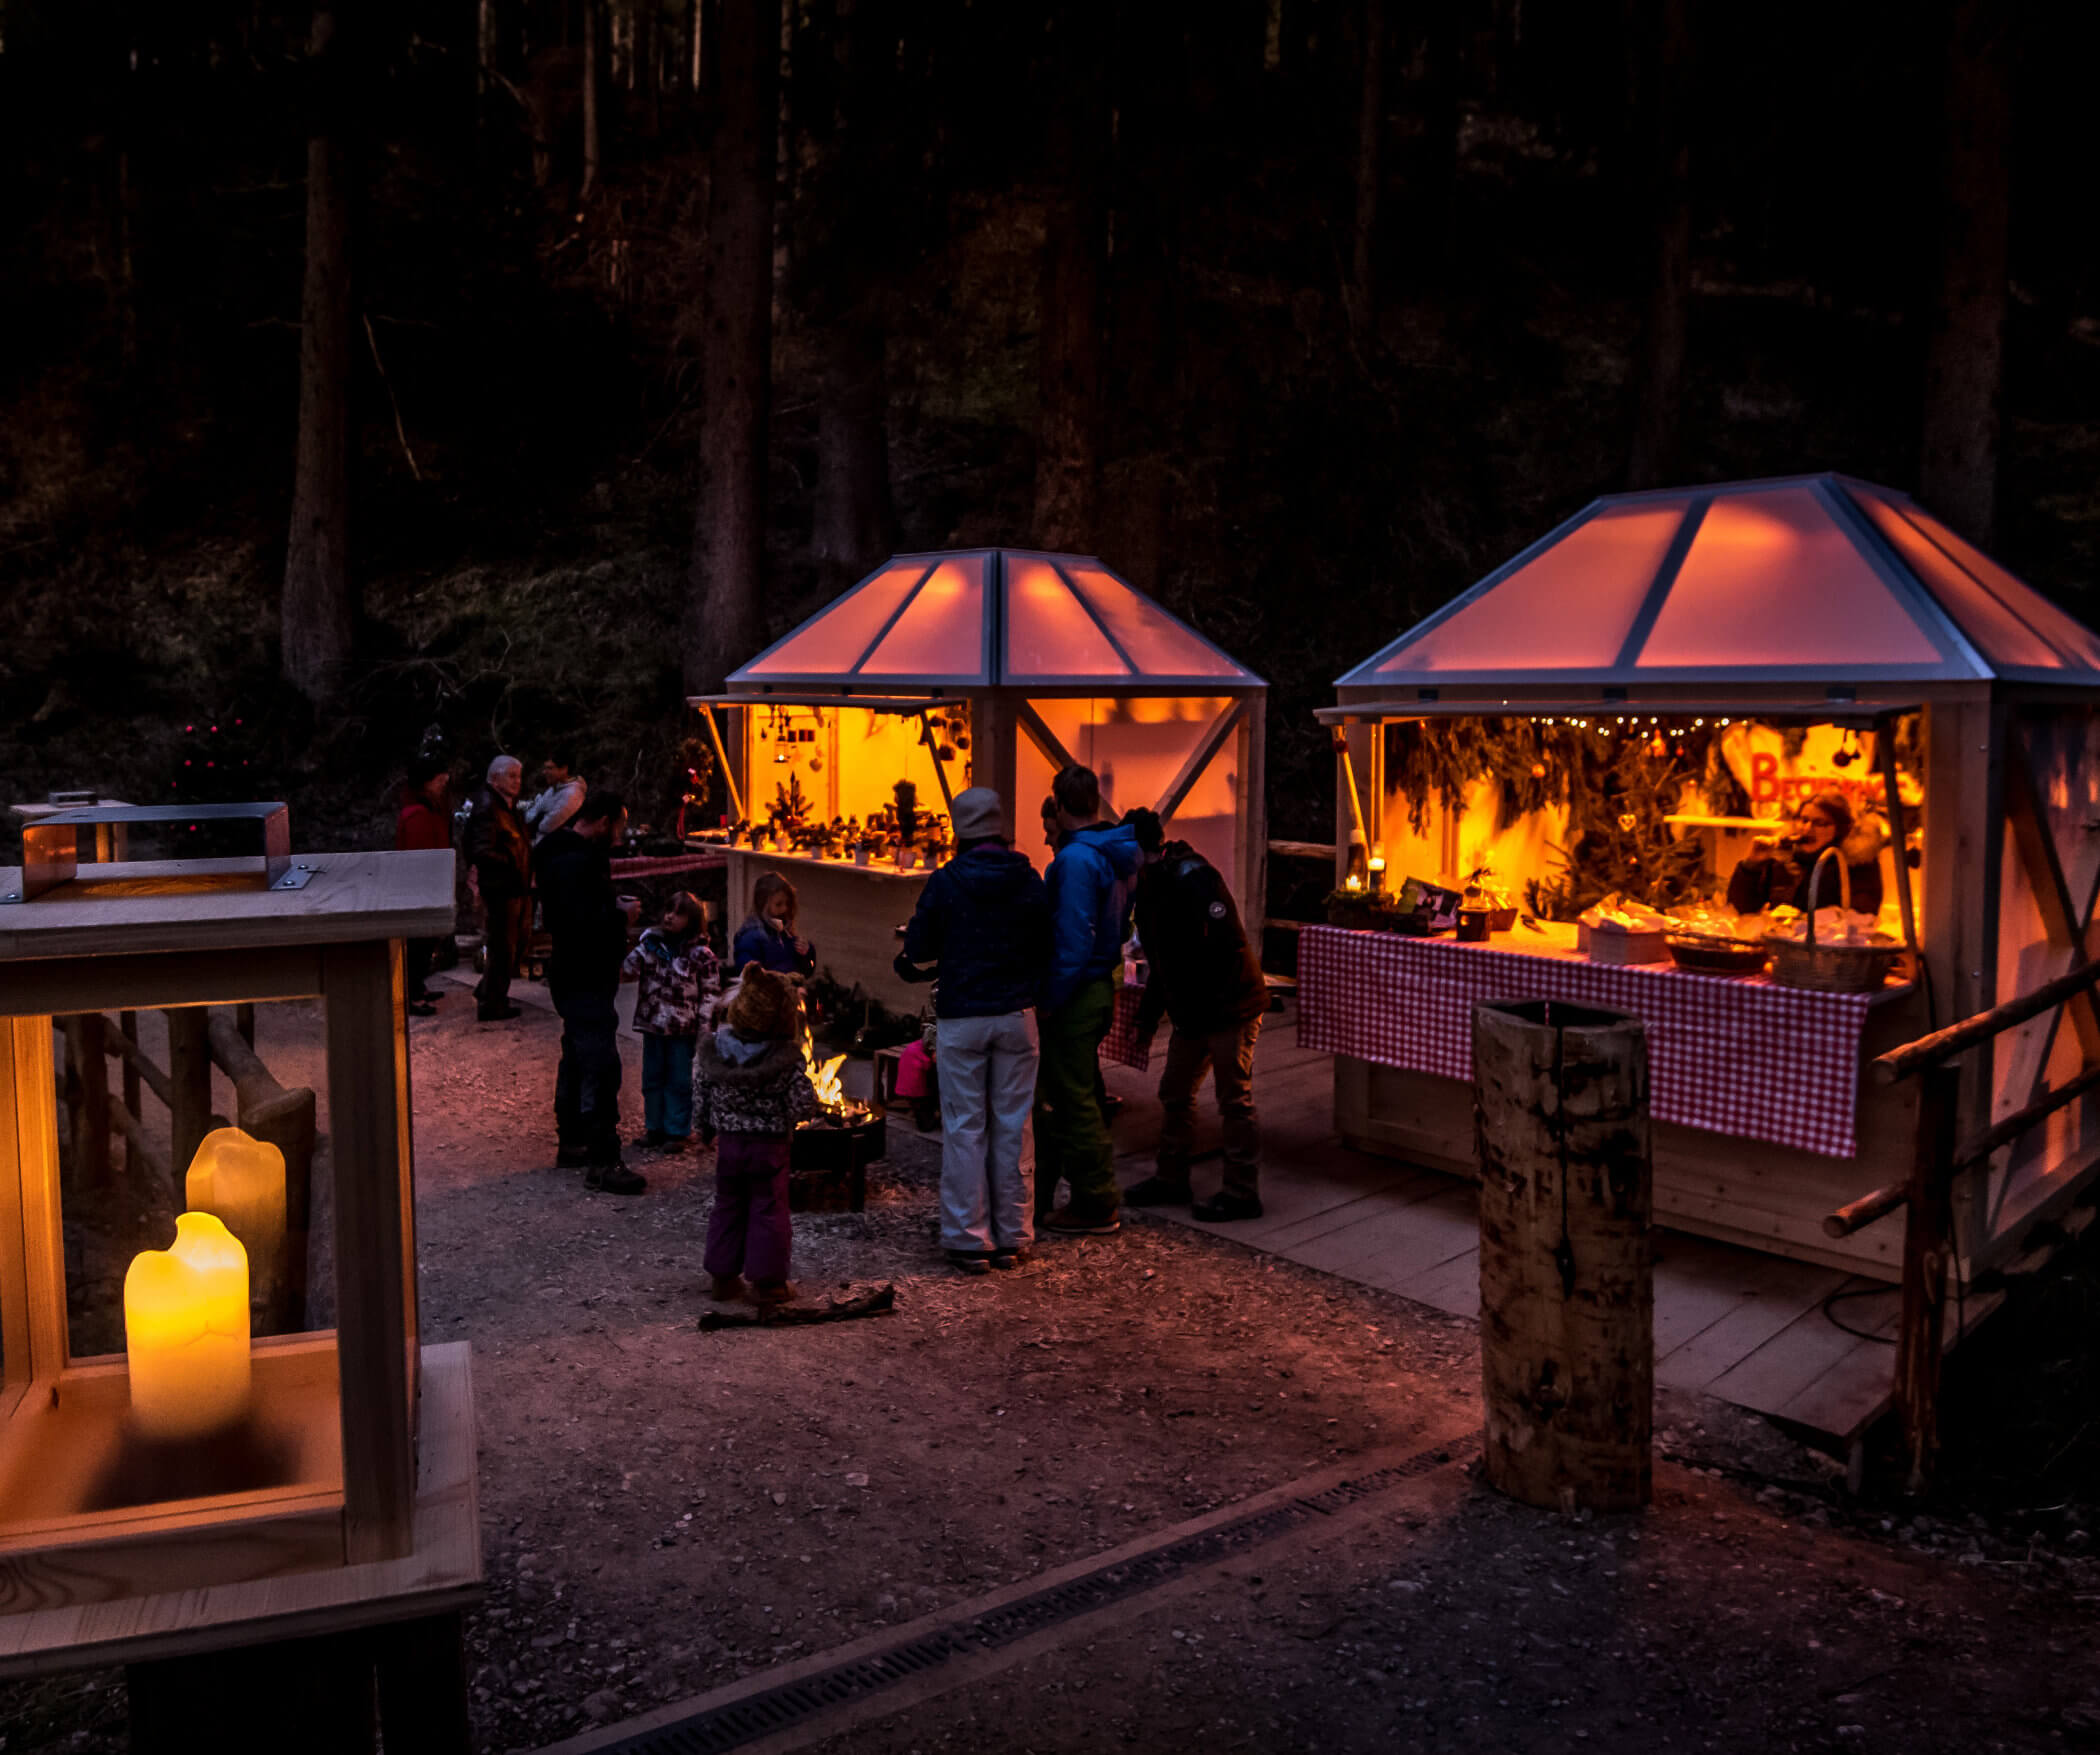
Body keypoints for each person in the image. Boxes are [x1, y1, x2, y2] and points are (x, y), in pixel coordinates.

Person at [895, 787, 1052, 1274]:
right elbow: (1046, 941)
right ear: (1000, 828)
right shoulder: (1028, 879)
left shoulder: (947, 882)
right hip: (1016, 1014)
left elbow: (919, 943)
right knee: (1013, 1122)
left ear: (961, 832)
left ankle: (968, 1237)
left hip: (963, 1014)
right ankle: (1014, 1234)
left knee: (965, 1126)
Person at [1120, 809, 1268, 1221]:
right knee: (1175, 1091)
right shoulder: (1147, 886)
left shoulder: (1194, 878)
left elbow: (1224, 946)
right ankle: (1171, 1178)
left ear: (1136, 848)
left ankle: (1242, 1192)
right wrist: (1147, 1021)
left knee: (1234, 1097)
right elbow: (1161, 960)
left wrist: (1200, 1006)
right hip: (1196, 1009)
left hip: (1229, 1006)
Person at [1035, 764, 1142, 1235]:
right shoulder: (1116, 855)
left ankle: (1095, 1200)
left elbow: (1073, 937)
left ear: (1059, 804)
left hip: (1076, 990)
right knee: (1087, 1090)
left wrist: (1051, 998)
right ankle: (1085, 1188)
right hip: (1101, 984)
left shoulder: (1077, 861)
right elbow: (1118, 927)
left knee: (1072, 1096)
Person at [536, 789, 645, 1194]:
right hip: (585, 971)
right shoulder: (575, 861)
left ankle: (573, 1139)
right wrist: (619, 915)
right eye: (617, 827)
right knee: (601, 1063)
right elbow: (581, 921)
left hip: (571, 970)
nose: (619, 838)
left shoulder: (558, 856)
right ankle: (604, 1159)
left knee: (577, 1055)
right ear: (602, 822)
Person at [692, 965, 821, 1305]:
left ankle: (722, 1278)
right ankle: (769, 1285)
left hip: (730, 1146)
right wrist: (797, 1117)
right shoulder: (784, 1060)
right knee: (769, 1210)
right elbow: (803, 1102)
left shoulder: (717, 1050)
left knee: (727, 1205)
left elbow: (701, 1091)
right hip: (770, 1148)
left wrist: (704, 1127)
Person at [622, 890, 719, 1153]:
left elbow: (710, 993)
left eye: (678, 914)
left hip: (682, 1028)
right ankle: (654, 1126)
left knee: (678, 1079)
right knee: (652, 1077)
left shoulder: (702, 956)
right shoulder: (650, 946)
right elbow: (627, 970)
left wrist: (704, 1027)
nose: (670, 917)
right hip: (652, 1023)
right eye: (668, 910)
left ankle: (676, 1130)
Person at [1725, 788, 1886, 919]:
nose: (1808, 829)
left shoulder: (1856, 864)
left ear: (1840, 829)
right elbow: (1739, 909)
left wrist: (1802, 920)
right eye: (1804, 820)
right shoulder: (1782, 858)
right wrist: (1752, 866)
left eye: (1820, 823)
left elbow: (1863, 916)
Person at [460, 754, 532, 1022]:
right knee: (504, 946)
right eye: (511, 776)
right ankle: (493, 1002)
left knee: (514, 943)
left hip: (514, 885)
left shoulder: (505, 806)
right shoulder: (488, 807)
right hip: (502, 887)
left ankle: (490, 992)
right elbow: (481, 849)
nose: (517, 782)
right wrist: (512, 863)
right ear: (495, 778)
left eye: (519, 776)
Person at [394, 753, 454, 1017]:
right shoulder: (417, 814)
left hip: (430, 886)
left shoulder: (428, 809)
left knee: (425, 943)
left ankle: (417, 987)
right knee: (418, 944)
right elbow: (420, 857)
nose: (443, 787)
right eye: (440, 782)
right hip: (422, 889)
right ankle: (409, 994)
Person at [732, 872, 817, 978]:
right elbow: (751, 978)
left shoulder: (785, 934)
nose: (784, 909)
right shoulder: (751, 938)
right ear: (762, 904)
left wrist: (807, 954)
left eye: (787, 903)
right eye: (778, 904)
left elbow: (804, 972)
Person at [523, 749, 587, 844]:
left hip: (549, 847)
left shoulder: (572, 795)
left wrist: (536, 819)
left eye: (550, 768)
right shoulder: (555, 787)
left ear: (564, 769)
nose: (544, 772)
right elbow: (531, 814)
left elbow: (546, 826)